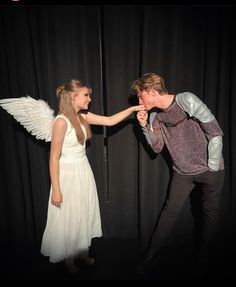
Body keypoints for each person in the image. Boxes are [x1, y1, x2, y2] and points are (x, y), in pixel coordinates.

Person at [40, 79, 145, 273]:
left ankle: (81, 252)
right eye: (86, 95)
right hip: (67, 174)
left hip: (83, 170)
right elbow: (53, 158)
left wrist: (133, 110)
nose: (90, 99)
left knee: (82, 212)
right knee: (70, 215)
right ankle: (68, 259)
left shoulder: (82, 116)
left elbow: (109, 120)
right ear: (73, 97)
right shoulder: (61, 122)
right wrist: (56, 189)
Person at [132, 73, 225, 277]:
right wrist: (145, 126)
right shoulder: (156, 116)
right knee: (169, 213)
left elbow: (215, 132)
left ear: (152, 92)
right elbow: (156, 148)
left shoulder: (186, 100)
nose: (139, 101)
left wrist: (211, 166)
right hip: (182, 173)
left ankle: (204, 259)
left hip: (210, 170)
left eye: (141, 96)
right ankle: (151, 255)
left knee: (210, 215)